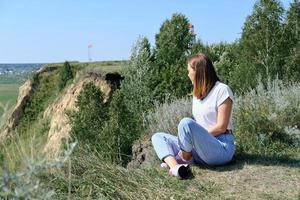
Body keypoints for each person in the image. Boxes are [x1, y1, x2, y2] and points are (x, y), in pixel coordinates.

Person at [151, 53, 235, 179]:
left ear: (198, 72)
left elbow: (221, 127)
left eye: (189, 71)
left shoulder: (222, 90)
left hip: (221, 147)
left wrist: (192, 143)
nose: (188, 74)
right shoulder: (197, 94)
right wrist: (190, 142)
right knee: (158, 137)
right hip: (200, 149)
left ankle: (185, 159)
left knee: (186, 123)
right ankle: (176, 167)